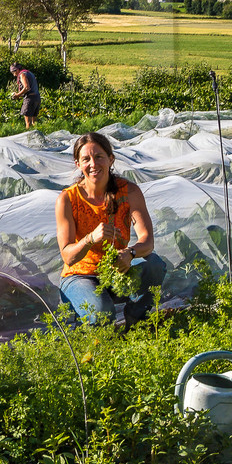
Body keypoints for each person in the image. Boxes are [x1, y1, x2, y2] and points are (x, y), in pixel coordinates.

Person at [55, 132, 168, 325]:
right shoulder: (68, 199)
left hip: (116, 270)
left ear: (110, 159)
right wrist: (90, 238)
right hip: (80, 276)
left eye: (99, 157)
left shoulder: (129, 191)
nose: (93, 164)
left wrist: (130, 253)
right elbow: (68, 256)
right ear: (78, 164)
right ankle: (93, 329)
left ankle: (137, 319)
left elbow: (147, 242)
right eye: (86, 159)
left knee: (155, 264)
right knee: (101, 313)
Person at [10, 62, 40, 131]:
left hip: (30, 99)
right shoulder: (30, 73)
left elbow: (27, 88)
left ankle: (28, 140)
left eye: (13, 72)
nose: (14, 75)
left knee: (28, 123)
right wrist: (20, 94)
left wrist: (17, 95)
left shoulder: (22, 74)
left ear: (17, 70)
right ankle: (36, 139)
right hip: (37, 98)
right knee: (34, 122)